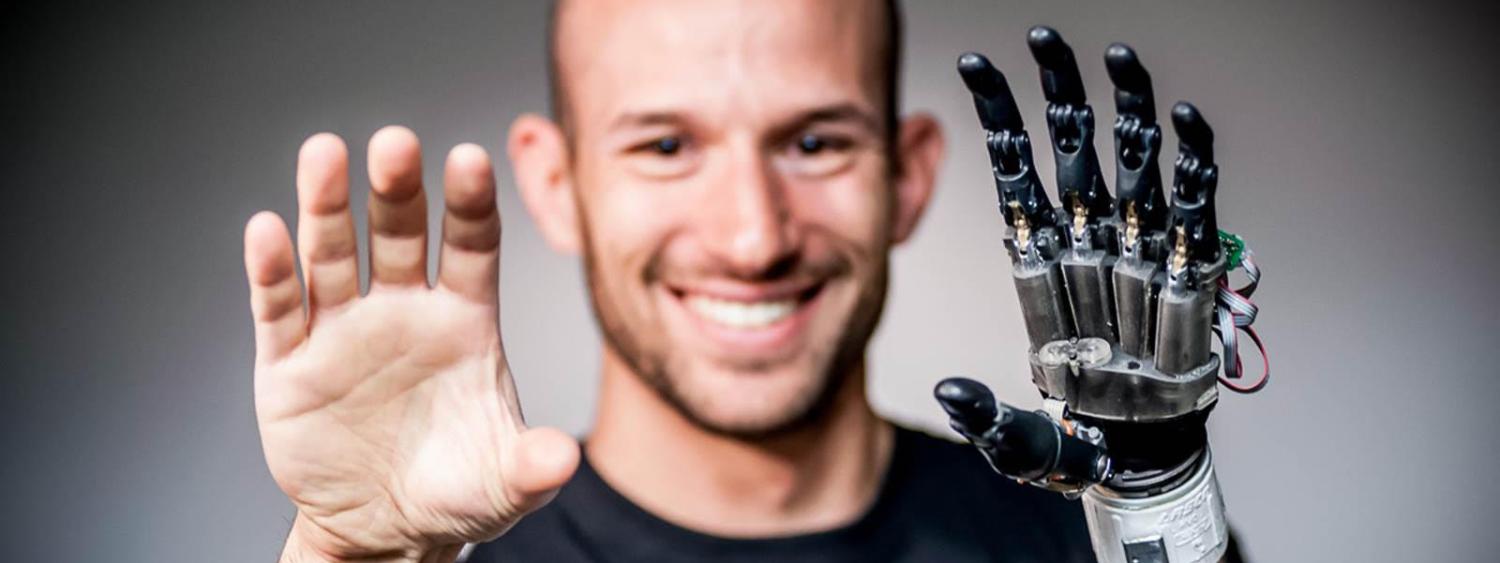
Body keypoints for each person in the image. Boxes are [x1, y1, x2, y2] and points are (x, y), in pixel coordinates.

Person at [243, 1, 1128, 561]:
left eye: (815, 142)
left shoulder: (1096, 535)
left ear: (909, 175)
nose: (752, 237)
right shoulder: (439, 559)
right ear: (556, 185)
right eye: (665, 146)